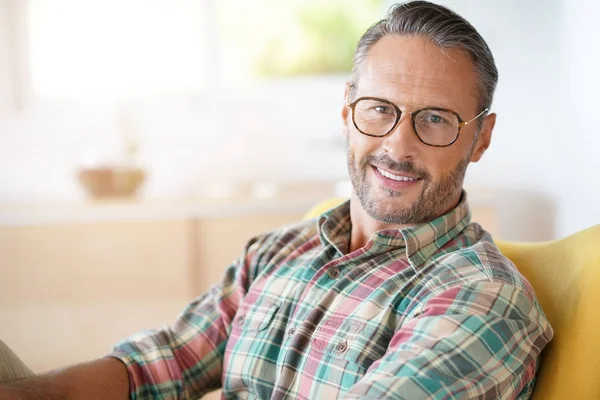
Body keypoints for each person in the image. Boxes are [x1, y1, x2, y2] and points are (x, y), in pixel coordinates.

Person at [0, 1, 553, 399]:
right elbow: (158, 364)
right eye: (379, 108)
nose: (397, 147)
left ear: (481, 137)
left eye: (435, 119)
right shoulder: (277, 252)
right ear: (347, 109)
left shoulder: (480, 297)